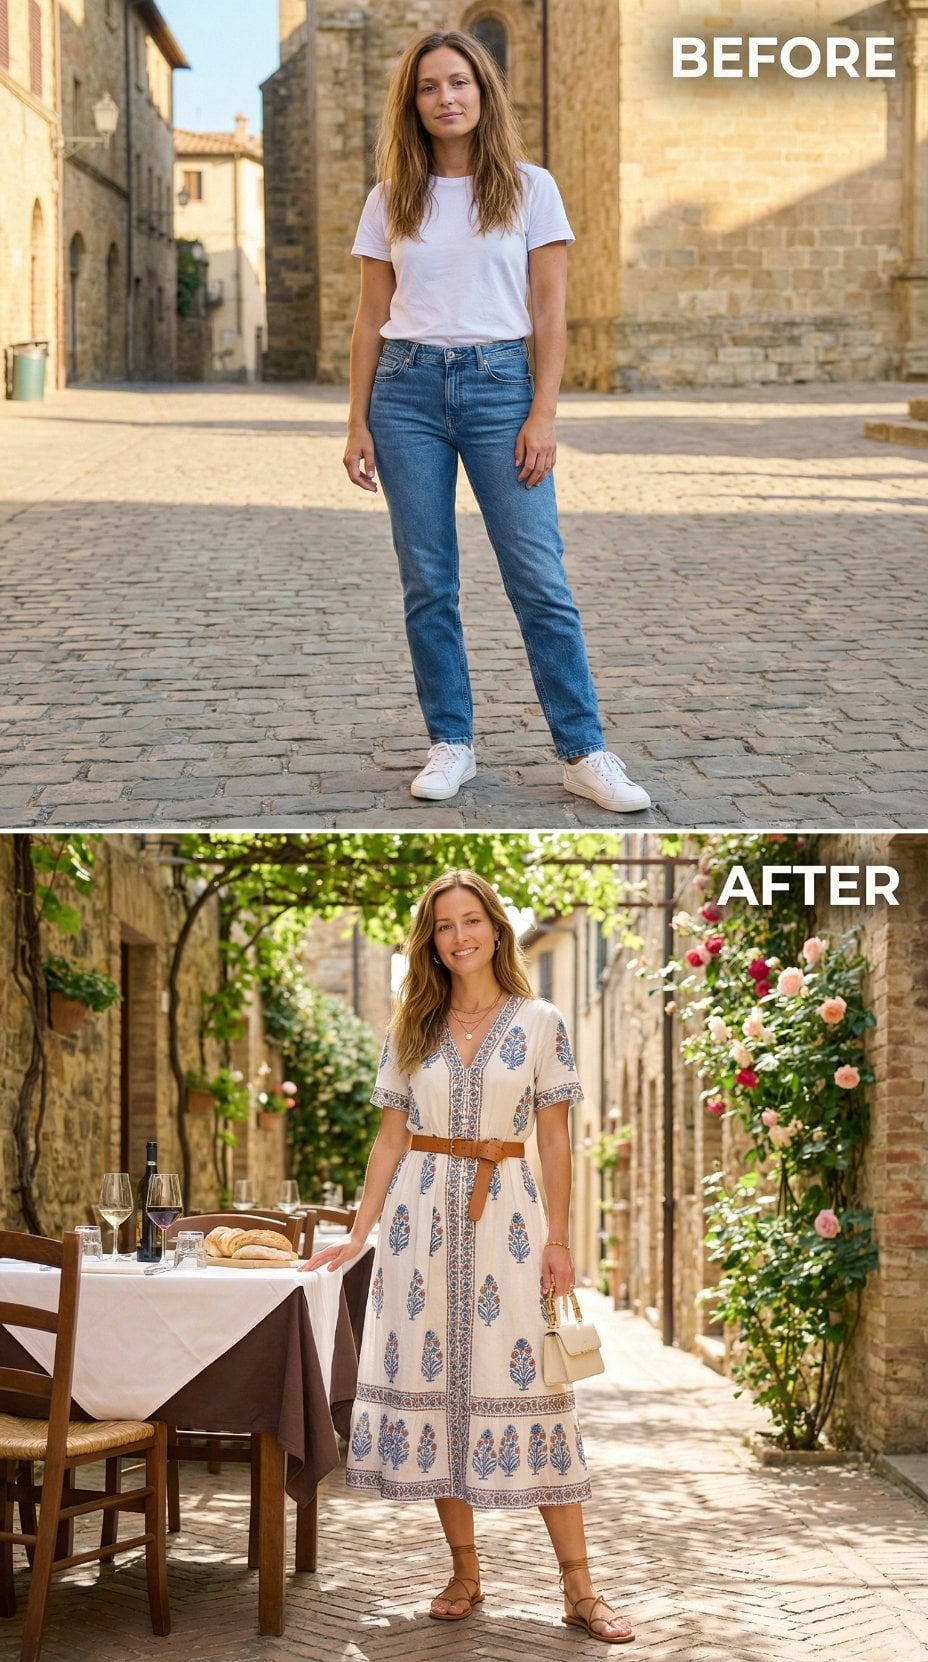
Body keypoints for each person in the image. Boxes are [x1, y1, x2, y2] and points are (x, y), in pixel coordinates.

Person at [304, 870, 635, 1644]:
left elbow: (553, 1139)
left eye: (471, 920)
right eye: (444, 926)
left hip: (508, 1221)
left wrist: (559, 1240)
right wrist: (359, 1233)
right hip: (419, 1229)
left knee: (539, 1391)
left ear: (496, 927)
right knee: (434, 1386)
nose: (459, 936)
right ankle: (464, 1569)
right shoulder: (409, 1028)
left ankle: (580, 1588)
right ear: (432, 942)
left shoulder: (541, 1020)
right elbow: (389, 1141)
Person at [344, 30, 651, 816]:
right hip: (405, 392)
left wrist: (543, 412)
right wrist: (357, 423)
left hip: (499, 388)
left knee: (538, 578)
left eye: (458, 83)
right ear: (411, 104)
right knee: (428, 581)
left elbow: (550, 309)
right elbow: (369, 317)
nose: (445, 98)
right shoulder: (390, 198)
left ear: (484, 91)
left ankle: (583, 751)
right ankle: (451, 741)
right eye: (428, 88)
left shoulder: (528, 187)